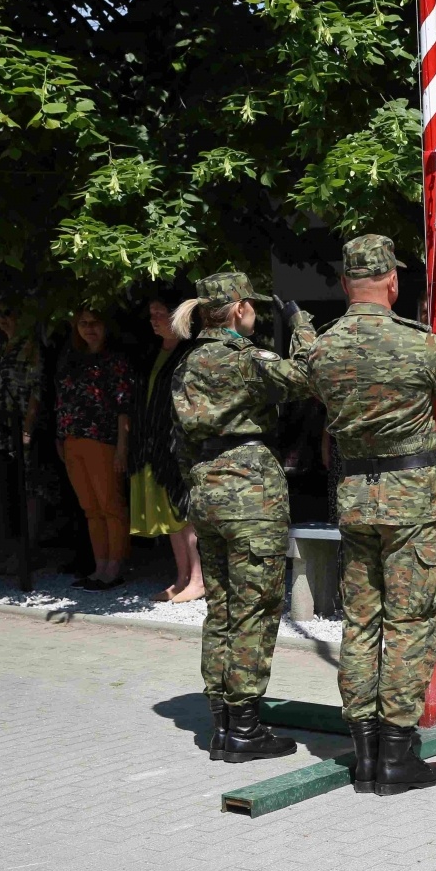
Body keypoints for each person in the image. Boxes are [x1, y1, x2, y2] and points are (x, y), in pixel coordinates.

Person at [305, 234, 436, 797]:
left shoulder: (323, 349)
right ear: (393, 282)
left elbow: (308, 385)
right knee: (409, 623)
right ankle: (398, 756)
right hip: (413, 504)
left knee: (361, 624)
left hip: (356, 499)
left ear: (345, 284)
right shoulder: (418, 344)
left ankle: (363, 753)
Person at [170, 273, 317, 763]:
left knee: (224, 608)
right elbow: (309, 376)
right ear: (236, 309)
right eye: (250, 305)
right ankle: (246, 728)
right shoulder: (248, 361)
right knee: (254, 609)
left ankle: (222, 722)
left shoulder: (186, 364)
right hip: (251, 498)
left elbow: (179, 441)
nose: (254, 311)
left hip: (206, 493)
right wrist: (301, 326)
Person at [55, 307, 135, 589]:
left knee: (110, 506)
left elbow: (124, 408)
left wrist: (122, 449)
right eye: (83, 323)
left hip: (103, 440)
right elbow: (62, 400)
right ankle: (99, 566)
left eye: (95, 322)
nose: (89, 328)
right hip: (72, 440)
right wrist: (60, 437)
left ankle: (115, 567)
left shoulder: (115, 360)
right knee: (90, 509)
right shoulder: (71, 358)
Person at [130, 296, 203, 603]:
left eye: (161, 312)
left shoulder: (191, 353)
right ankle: (182, 577)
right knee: (168, 512)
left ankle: (199, 579)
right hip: (152, 444)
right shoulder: (152, 354)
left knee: (183, 511)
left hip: (178, 444)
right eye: (152, 313)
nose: (154, 318)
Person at [0, 298, 47, 572]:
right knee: (3, 488)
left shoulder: (32, 346)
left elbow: (36, 390)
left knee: (27, 488)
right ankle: (11, 551)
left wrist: (27, 429)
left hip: (20, 425)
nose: (2, 318)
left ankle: (28, 551)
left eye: (8, 312)